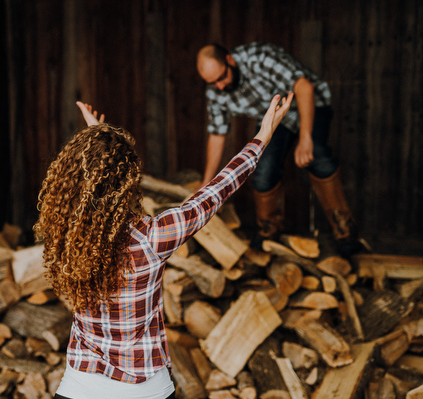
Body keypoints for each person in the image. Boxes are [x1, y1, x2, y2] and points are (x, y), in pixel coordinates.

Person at [34, 93, 293, 399]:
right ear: (129, 182)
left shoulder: (63, 232)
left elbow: (91, 184)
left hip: (81, 385)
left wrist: (96, 139)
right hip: (145, 390)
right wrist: (262, 136)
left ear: (75, 179)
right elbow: (215, 191)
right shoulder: (152, 238)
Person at [196, 42, 363, 256]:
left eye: (221, 78)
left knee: (318, 158)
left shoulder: (260, 59)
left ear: (230, 60)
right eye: (212, 83)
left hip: (309, 103)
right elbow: (217, 134)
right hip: (275, 117)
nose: (219, 86)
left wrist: (305, 138)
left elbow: (304, 87)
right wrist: (206, 184)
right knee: (264, 171)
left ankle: (346, 232)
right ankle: (269, 232)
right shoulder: (215, 90)